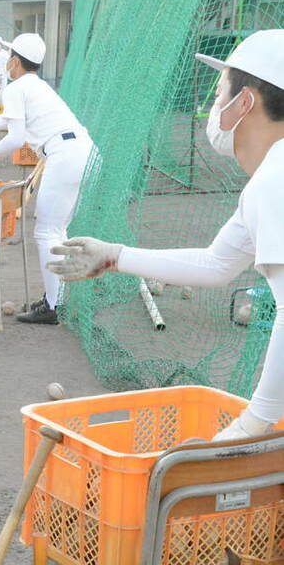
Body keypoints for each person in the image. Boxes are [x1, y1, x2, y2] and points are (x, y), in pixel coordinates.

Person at [47, 30, 284, 441]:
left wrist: (256, 419)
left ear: (244, 103)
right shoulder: (268, 179)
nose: (213, 107)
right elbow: (216, 263)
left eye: (218, 95)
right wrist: (115, 256)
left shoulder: (275, 179)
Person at [0, 33, 94, 324]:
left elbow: (15, 138)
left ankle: (53, 307)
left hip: (65, 155)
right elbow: (8, 121)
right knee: (57, 231)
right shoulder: (35, 86)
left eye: (10, 57)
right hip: (83, 151)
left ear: (14, 61)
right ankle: (59, 299)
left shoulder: (17, 86)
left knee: (46, 232)